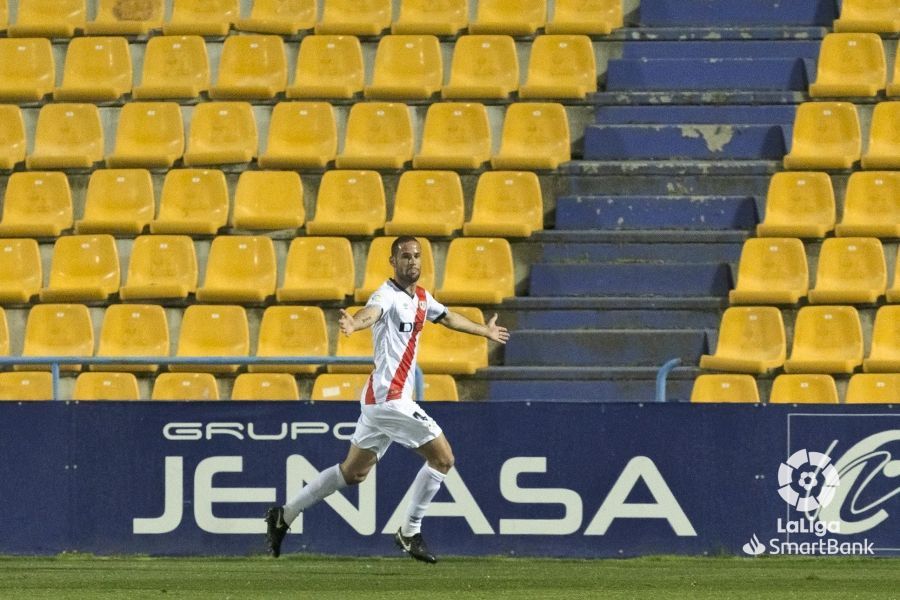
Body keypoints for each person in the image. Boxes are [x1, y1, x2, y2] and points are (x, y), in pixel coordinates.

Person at [265, 236, 510, 563]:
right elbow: (371, 313)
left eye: (417, 256)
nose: (412, 262)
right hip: (389, 399)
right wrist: (355, 322)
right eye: (405, 257)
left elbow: (448, 317)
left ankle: (285, 514)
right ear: (393, 262)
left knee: (353, 473)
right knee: (443, 459)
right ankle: (409, 531)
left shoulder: (422, 298)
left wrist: (485, 331)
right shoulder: (387, 295)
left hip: (378, 402)